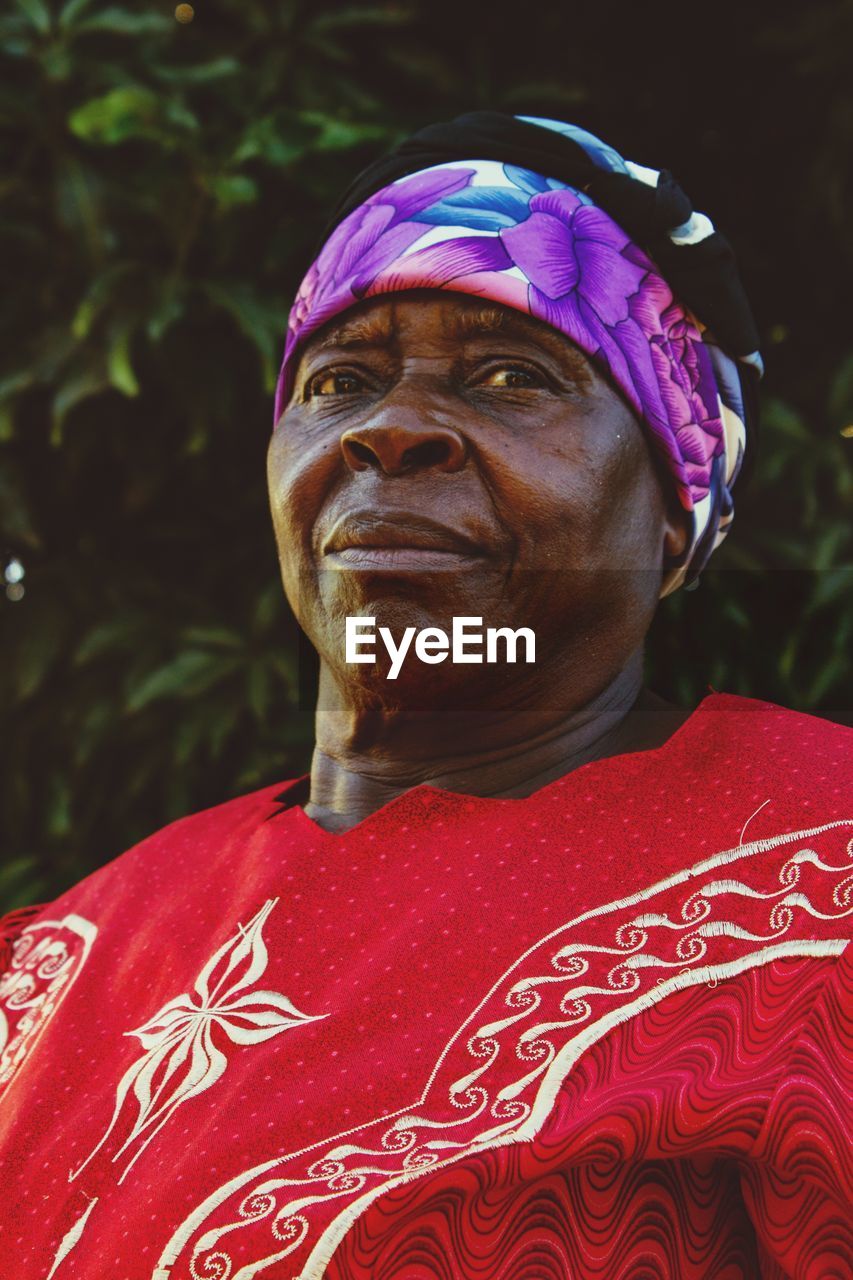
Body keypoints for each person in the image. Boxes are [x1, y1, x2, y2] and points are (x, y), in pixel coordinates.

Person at [0, 113, 850, 1280]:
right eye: (340, 379)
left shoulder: (819, 872)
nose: (388, 430)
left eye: (510, 375)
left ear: (669, 499)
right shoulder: (66, 949)